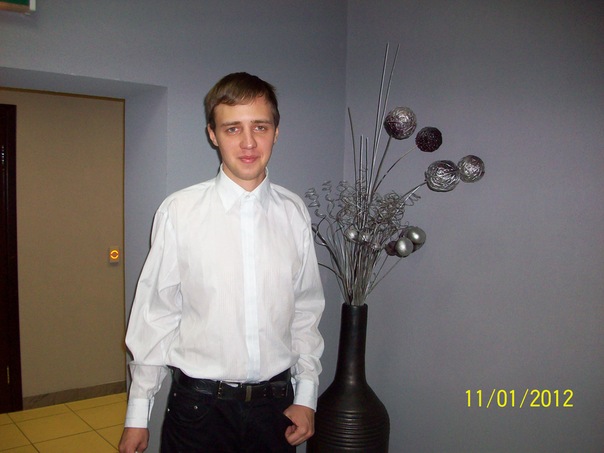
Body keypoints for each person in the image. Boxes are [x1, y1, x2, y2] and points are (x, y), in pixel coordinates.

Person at [118, 72, 325, 453]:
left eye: (260, 127)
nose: (248, 143)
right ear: (212, 134)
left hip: (276, 409)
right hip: (199, 412)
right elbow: (156, 315)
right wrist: (138, 414)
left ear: (276, 132)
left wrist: (307, 394)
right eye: (232, 129)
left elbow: (305, 310)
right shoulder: (179, 211)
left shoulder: (293, 211)